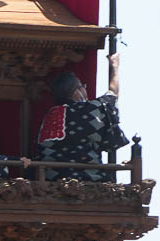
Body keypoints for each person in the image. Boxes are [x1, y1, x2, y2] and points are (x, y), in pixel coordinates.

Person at [35, 53, 127, 182]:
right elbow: (112, 96)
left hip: (49, 179)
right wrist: (115, 66)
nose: (85, 89)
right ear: (76, 93)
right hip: (85, 179)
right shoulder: (88, 110)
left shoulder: (51, 113)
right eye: (82, 86)